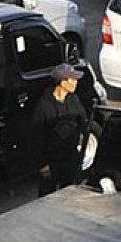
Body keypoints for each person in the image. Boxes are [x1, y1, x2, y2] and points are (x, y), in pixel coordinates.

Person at [30, 63, 89, 197]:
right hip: (52, 162)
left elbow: (82, 121)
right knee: (47, 198)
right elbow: (37, 137)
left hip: (70, 159)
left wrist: (81, 137)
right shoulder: (44, 106)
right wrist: (42, 164)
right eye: (72, 80)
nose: (76, 83)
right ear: (62, 82)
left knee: (70, 196)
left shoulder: (74, 100)